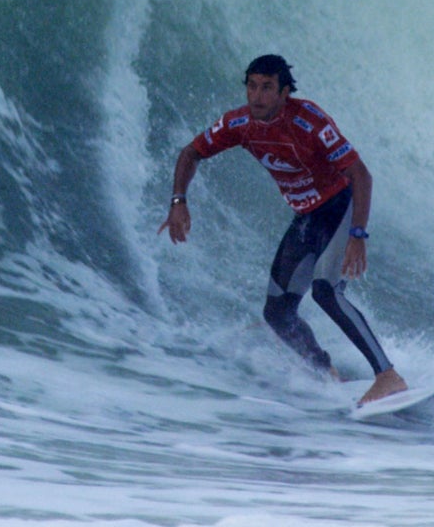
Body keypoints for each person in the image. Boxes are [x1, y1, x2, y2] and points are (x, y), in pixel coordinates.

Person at [159, 54, 409, 405]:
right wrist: (178, 202)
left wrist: (357, 235)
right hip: (306, 217)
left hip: (340, 207)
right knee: (277, 313)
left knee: (326, 291)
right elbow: (190, 153)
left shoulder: (309, 121)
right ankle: (326, 372)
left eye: (267, 88)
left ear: (284, 92)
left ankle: (388, 376)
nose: (257, 96)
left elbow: (361, 175)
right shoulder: (239, 123)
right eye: (251, 86)